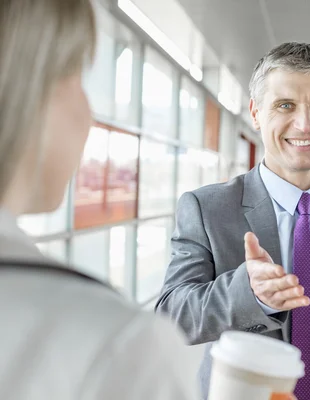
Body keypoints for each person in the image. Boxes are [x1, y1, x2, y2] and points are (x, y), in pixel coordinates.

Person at [155, 42, 310, 400]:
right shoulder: (208, 209)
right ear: (255, 112)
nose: (305, 123)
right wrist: (248, 293)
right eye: (285, 105)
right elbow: (172, 316)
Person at [0, 1, 199, 398]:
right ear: (26, 84)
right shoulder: (117, 345)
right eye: (77, 75)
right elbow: (179, 305)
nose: (89, 114)